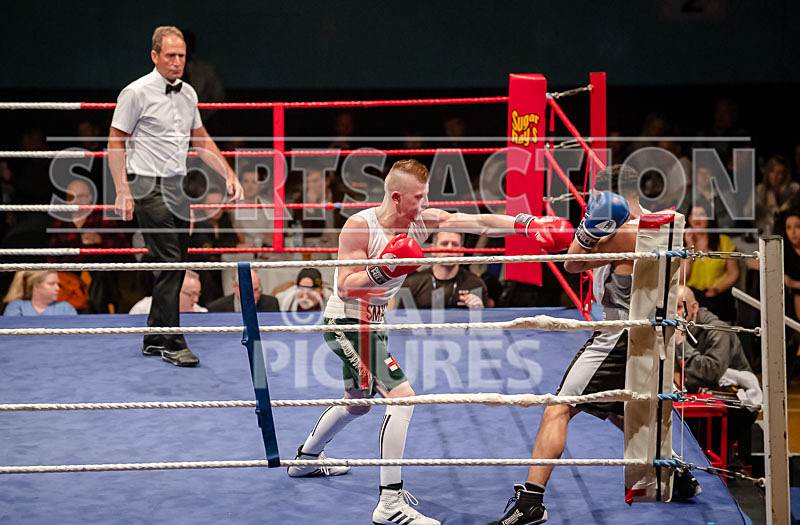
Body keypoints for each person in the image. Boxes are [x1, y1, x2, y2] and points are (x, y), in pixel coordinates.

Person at [287, 159, 573, 525]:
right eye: (419, 197)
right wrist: (385, 267)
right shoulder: (359, 227)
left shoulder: (421, 220)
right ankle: (389, 503)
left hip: (375, 323)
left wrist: (528, 224)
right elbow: (344, 284)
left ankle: (305, 461)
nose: (425, 204)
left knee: (357, 404)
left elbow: (481, 222)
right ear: (396, 197)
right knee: (403, 398)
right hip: (348, 321)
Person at [489, 165, 699, 525]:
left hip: (619, 333)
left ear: (608, 197)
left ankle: (531, 502)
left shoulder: (626, 233)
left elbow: (572, 263)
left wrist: (587, 231)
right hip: (649, 331)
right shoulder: (659, 226)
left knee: (560, 406)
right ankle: (673, 472)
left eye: (594, 199)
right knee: (619, 409)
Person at [108, 26, 243, 367]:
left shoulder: (188, 94)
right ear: (155, 56)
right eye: (170, 55)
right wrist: (122, 189)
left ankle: (154, 336)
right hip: (145, 184)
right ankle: (172, 340)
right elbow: (115, 142)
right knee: (170, 260)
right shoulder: (135, 92)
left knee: (178, 262)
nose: (177, 62)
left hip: (176, 185)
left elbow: (201, 141)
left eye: (181, 56)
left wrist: (227, 173)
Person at [675, 285, 761, 465]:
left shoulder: (717, 330)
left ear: (694, 307)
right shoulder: (682, 327)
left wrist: (681, 343)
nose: (675, 314)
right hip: (703, 393)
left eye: (679, 307)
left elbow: (710, 373)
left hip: (737, 401)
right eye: (671, 308)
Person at [49, 179, 131, 313]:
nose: (76, 201)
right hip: (69, 276)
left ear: (90, 198)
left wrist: (100, 240)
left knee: (100, 266)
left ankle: (101, 315)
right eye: (71, 197)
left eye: (81, 196)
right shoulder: (61, 221)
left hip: (99, 274)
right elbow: (52, 256)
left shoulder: (103, 217)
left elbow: (124, 247)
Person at [400, 231, 489, 309]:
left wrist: (480, 310)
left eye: (455, 244)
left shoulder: (476, 284)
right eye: (444, 244)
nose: (449, 249)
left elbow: (489, 322)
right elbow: (397, 321)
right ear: (433, 249)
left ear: (462, 251)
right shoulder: (412, 283)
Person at [682, 205, 739, 322]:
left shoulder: (724, 241)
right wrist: (689, 247)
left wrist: (717, 289)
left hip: (719, 294)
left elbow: (733, 273)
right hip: (694, 295)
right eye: (694, 215)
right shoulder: (681, 245)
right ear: (688, 219)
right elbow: (682, 277)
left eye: (702, 215)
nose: (697, 220)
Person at [129, 271, 208, 315]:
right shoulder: (143, 309)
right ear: (174, 291)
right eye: (191, 294)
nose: (196, 300)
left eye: (198, 294)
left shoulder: (200, 312)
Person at [3, 271, 77, 316]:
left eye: (57, 284)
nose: (57, 288)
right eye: (51, 284)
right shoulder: (17, 307)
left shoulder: (66, 308)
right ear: (36, 286)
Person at [206, 270, 279, 313]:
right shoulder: (216, 308)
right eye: (248, 292)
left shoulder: (271, 304)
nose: (254, 295)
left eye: (256, 290)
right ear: (235, 287)